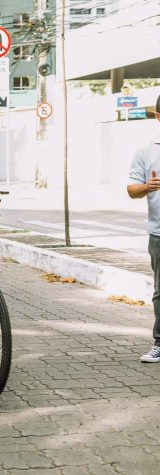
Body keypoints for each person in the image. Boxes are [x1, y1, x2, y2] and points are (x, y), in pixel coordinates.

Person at [127, 95, 160, 363]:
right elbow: (131, 189)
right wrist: (147, 188)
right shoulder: (146, 151)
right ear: (157, 117)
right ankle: (159, 343)